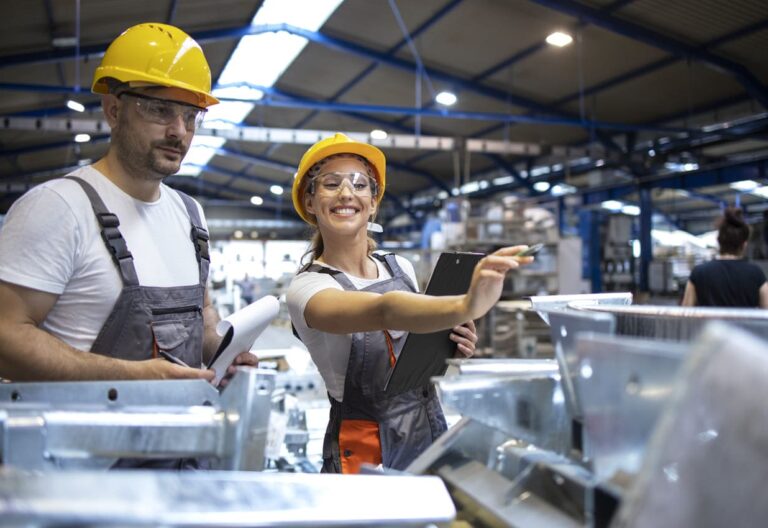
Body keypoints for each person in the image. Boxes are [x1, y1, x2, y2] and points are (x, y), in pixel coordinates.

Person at [0, 23, 257, 384]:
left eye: (189, 116)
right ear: (114, 110)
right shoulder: (59, 207)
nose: (178, 131)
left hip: (181, 435)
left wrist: (221, 352)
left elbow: (204, 311)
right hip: (75, 438)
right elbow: (6, 337)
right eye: (159, 110)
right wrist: (129, 377)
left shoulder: (189, 214)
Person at [286, 133, 534, 473]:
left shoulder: (398, 266)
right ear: (310, 202)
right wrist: (466, 304)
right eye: (331, 184)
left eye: (360, 184)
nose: (347, 193)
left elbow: (413, 349)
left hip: (428, 426)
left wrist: (448, 342)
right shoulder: (308, 287)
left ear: (373, 202)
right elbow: (383, 309)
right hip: (364, 447)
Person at [682, 206, 768, 308]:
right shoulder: (756, 274)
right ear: (744, 245)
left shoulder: (698, 273)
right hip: (744, 325)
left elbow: (685, 313)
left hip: (709, 324)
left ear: (719, 241)